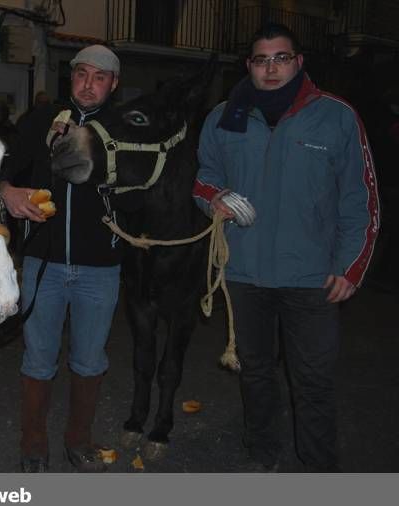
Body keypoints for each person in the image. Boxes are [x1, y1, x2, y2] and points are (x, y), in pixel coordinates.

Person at [193, 23, 380, 472]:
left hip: (312, 279)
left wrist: (351, 268)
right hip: (244, 273)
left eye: (280, 58)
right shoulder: (224, 115)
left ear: (298, 62)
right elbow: (203, 179)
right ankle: (263, 454)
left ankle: (317, 468)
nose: (271, 68)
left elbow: (362, 200)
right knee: (255, 373)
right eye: (261, 60)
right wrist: (214, 198)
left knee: (312, 380)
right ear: (249, 66)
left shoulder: (335, 116)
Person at [0, 45, 130, 473]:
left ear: (113, 84)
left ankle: (80, 440)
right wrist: (6, 192)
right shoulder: (42, 119)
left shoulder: (124, 130)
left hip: (101, 268)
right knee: (37, 358)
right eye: (81, 74)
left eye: (99, 77)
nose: (88, 84)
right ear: (70, 77)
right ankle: (34, 443)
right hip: (43, 263)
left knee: (90, 360)